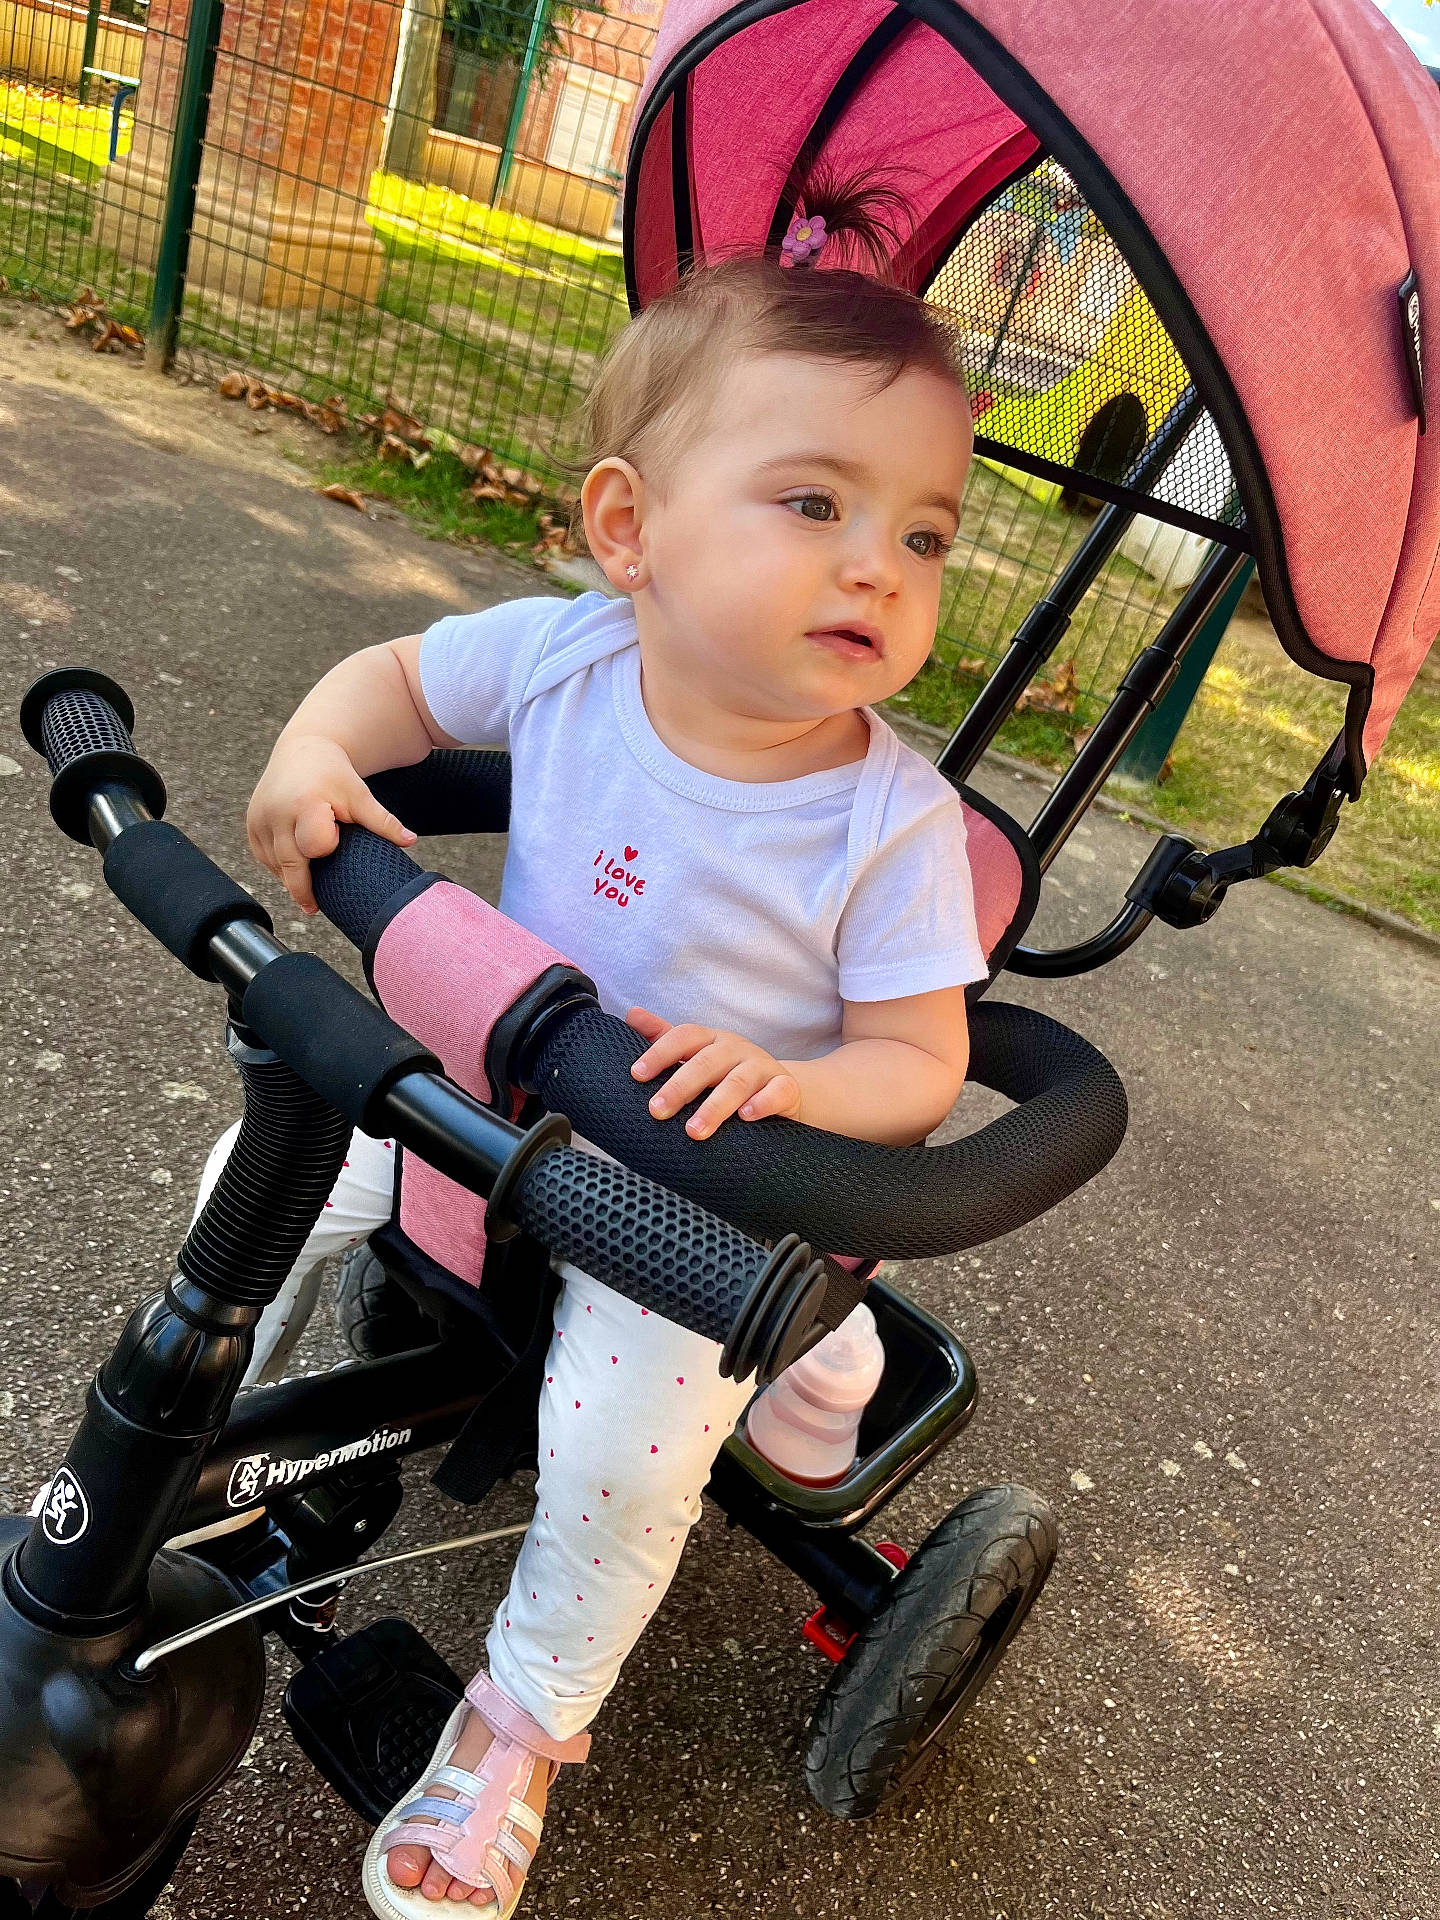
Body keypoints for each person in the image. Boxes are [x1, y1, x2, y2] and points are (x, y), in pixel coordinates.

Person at [197, 173, 988, 1918]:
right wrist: (316, 750)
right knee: (248, 1169)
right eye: (814, 500)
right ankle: (164, 1434)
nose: (880, 563)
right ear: (629, 530)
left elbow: (921, 1069)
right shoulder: (564, 657)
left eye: (925, 535)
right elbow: (396, 681)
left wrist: (791, 1083)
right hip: (485, 1083)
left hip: (695, 1195)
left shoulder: (890, 828)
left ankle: (520, 1723)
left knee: (620, 1457)